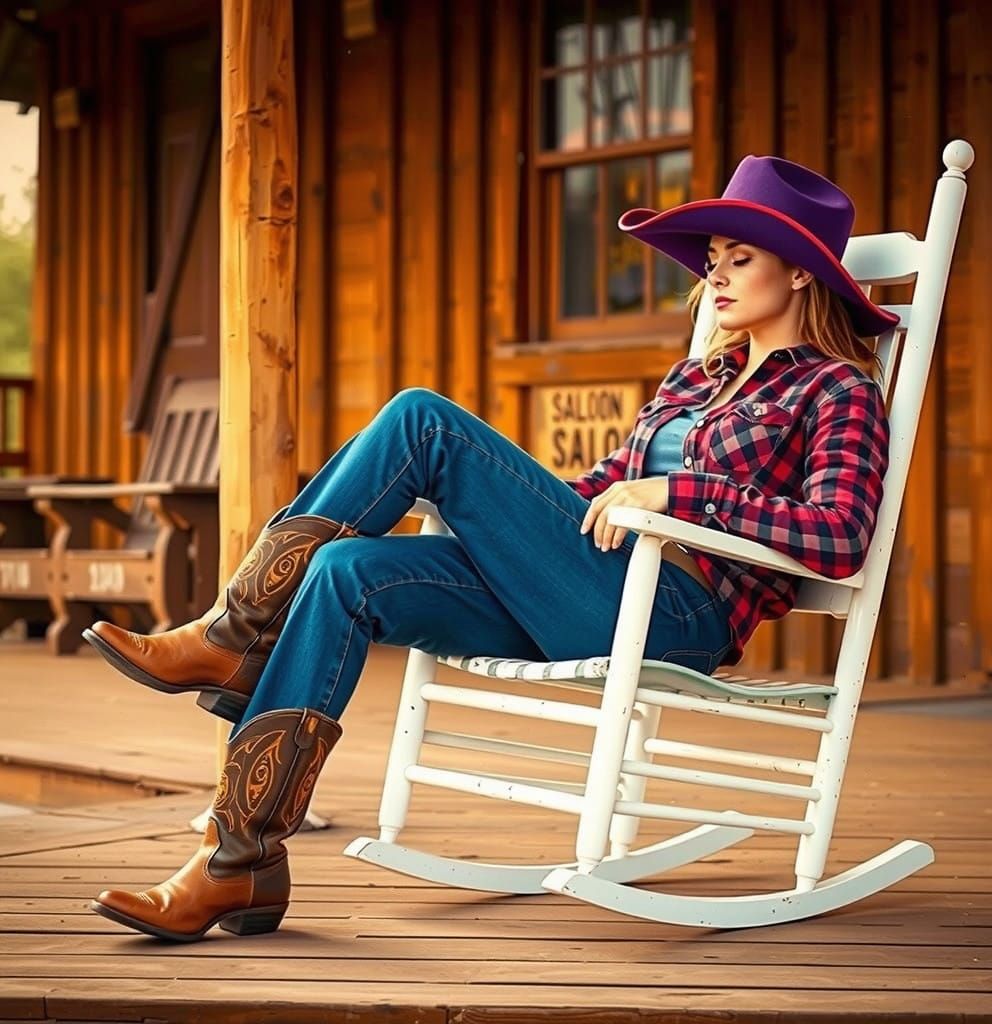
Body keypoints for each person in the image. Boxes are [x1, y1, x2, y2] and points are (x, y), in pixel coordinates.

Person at [83, 154, 898, 941]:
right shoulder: (694, 381)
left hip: (678, 610)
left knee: (419, 418)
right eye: (711, 259)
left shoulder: (838, 390)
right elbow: (594, 493)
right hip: (586, 587)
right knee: (340, 572)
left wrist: (681, 493)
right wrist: (506, 515)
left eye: (738, 258)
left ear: (798, 272)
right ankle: (238, 857)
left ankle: (234, 636)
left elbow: (841, 537)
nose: (712, 275)